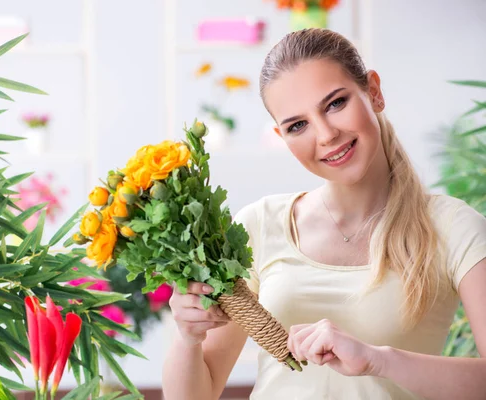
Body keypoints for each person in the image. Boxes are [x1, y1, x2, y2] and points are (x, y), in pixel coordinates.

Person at [161, 28, 486, 400]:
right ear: (282, 138)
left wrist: (379, 360)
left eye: (335, 103)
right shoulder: (257, 226)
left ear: (374, 92)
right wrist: (187, 337)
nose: (326, 134)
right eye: (297, 125)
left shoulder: (455, 228)